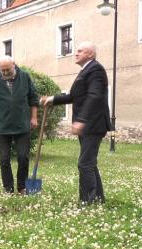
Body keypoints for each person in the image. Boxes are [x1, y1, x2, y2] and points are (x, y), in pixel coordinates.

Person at [41, 41, 111, 205]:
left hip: (92, 125)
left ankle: (87, 201)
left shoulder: (95, 70)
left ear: (90, 54)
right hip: (89, 125)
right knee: (90, 163)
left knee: (84, 163)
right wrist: (52, 99)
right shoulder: (86, 70)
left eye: (80, 51)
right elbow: (74, 96)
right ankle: (98, 198)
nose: (76, 53)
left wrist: (82, 120)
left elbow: (94, 96)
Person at [0, 56, 39, 195]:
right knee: (4, 159)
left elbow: (33, 98)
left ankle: (22, 187)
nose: (5, 73)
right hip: (3, 126)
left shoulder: (25, 77)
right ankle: (8, 188)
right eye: (2, 70)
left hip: (22, 125)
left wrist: (34, 117)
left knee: (23, 157)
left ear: (14, 65)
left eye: (7, 69)